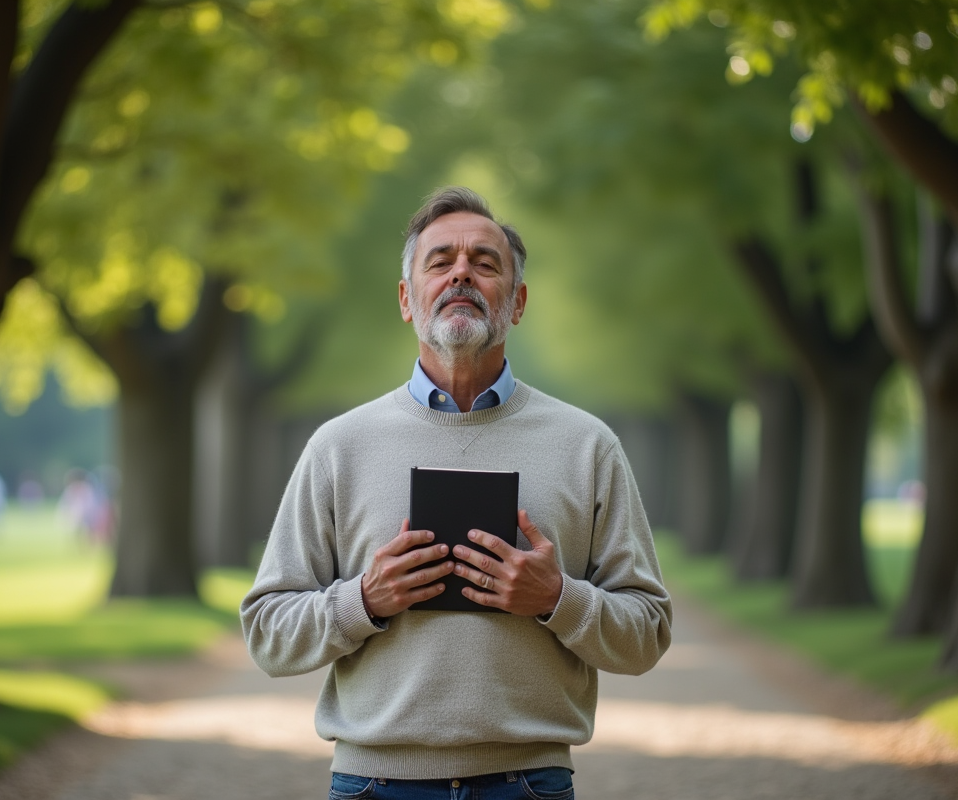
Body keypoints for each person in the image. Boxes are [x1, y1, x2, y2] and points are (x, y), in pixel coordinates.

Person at [241, 186, 672, 799]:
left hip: (530, 784)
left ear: (517, 301)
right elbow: (266, 630)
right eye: (439, 261)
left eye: (485, 262)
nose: (461, 273)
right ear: (405, 299)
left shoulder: (587, 445)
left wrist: (557, 598)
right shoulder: (339, 446)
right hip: (373, 783)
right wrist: (362, 600)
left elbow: (648, 631)